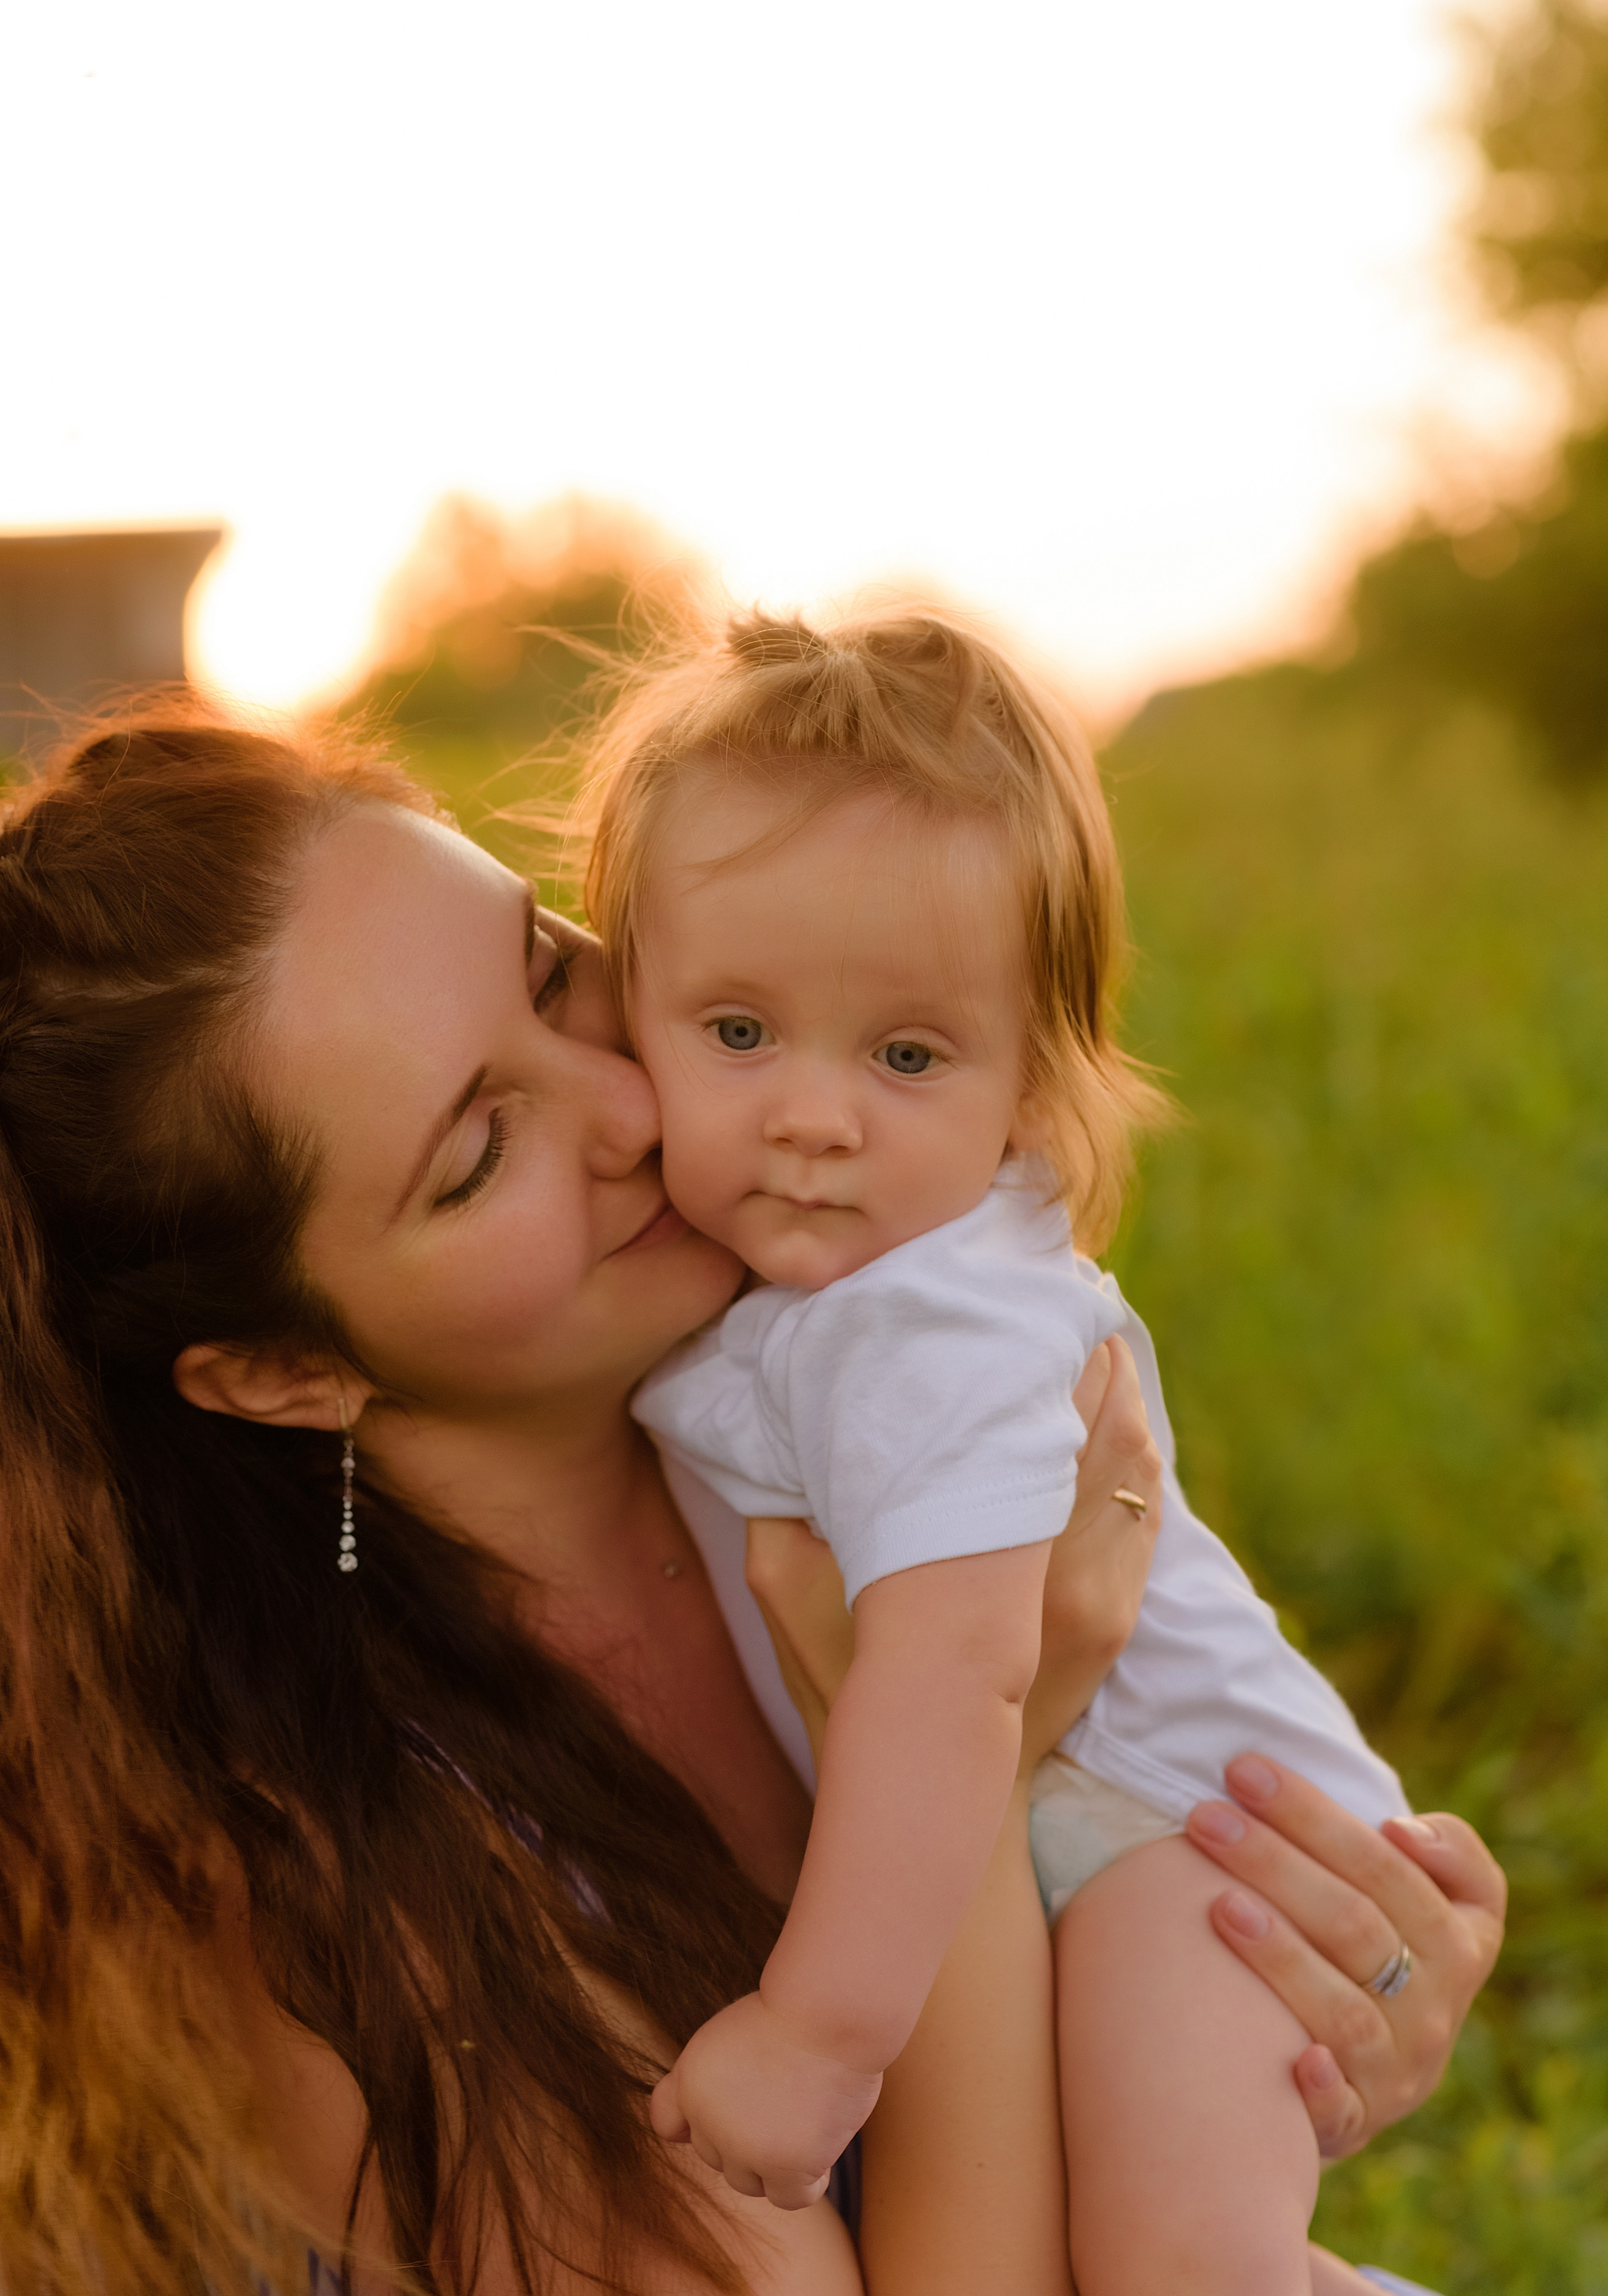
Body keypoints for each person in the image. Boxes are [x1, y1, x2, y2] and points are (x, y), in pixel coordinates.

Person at [0, 702, 1502, 2296]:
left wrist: (1317, 1984)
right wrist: (976, 1781)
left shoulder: (808, 1388)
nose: (632, 1106)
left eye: (551, 971)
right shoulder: (333, 1867)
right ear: (284, 1371)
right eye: (481, 1152)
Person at [583, 607, 1440, 2294]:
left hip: (1188, 1838)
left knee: (1183, 2262)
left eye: (907, 1055)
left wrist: (817, 2035)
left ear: (1033, 1093)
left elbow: (958, 1674)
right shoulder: (787, 1285)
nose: (813, 1117)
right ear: (628, 1014)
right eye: (736, 1032)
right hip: (1063, 1837)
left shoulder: (937, 1317)